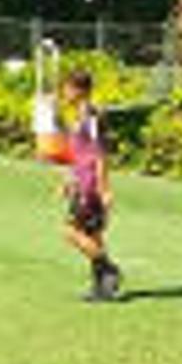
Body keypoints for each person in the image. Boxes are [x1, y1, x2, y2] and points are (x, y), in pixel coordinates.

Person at [56, 66, 123, 302]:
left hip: (90, 185)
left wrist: (103, 188)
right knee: (93, 235)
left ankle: (109, 269)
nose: (63, 93)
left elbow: (100, 153)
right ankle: (101, 286)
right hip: (81, 181)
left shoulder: (92, 116)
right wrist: (68, 178)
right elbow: (78, 153)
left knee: (71, 232)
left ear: (79, 90)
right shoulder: (78, 116)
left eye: (66, 88)